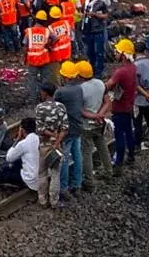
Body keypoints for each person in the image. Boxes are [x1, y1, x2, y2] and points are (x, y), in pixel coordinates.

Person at [76, 59, 111, 188]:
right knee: (102, 147)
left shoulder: (80, 89)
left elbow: (80, 110)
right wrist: (100, 114)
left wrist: (94, 116)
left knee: (86, 153)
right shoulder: (100, 83)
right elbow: (107, 102)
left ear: (79, 75)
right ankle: (108, 171)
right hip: (99, 123)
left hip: (87, 125)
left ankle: (89, 181)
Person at [53, 61, 85, 197]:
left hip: (66, 129)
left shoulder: (61, 92)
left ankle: (64, 187)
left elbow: (52, 105)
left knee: (64, 158)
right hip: (78, 126)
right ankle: (77, 184)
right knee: (77, 155)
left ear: (65, 76)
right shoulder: (79, 88)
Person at [34, 83, 67, 207]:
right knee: (55, 173)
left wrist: (51, 135)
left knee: (42, 172)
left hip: (44, 144)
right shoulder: (61, 107)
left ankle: (42, 200)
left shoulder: (40, 108)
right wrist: (57, 142)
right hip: (57, 146)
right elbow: (65, 128)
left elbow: (40, 129)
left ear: (45, 93)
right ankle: (54, 201)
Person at [107, 38, 139, 168]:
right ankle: (131, 155)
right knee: (129, 132)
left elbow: (108, 85)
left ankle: (119, 161)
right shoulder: (133, 68)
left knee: (119, 135)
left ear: (123, 54)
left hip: (119, 107)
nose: (115, 53)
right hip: (129, 105)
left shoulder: (121, 71)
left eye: (117, 51)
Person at [0, 117, 39, 192]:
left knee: (2, 168)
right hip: (41, 176)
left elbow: (9, 158)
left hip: (29, 179)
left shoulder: (23, 143)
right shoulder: (39, 138)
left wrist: (17, 139)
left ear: (22, 130)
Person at [24, 10, 51, 102]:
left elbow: (25, 46)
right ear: (44, 21)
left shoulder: (29, 31)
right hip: (44, 58)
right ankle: (44, 98)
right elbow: (55, 39)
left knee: (32, 79)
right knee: (45, 79)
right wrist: (48, 45)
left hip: (32, 59)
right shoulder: (47, 31)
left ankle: (33, 98)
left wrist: (25, 58)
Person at [82, 0, 108, 76]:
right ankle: (91, 69)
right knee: (90, 52)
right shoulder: (85, 3)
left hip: (97, 30)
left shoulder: (100, 3)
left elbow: (105, 15)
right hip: (88, 30)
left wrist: (95, 15)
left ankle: (99, 71)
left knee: (99, 52)